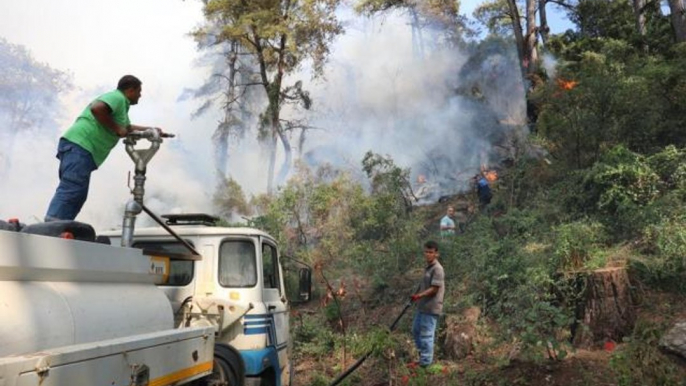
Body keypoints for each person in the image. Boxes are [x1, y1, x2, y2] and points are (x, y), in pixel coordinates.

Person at [45, 75, 163, 221]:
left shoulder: (121, 106)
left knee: (78, 193)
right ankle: (53, 224)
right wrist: (116, 128)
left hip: (80, 148)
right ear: (130, 90)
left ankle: (61, 225)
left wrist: (151, 130)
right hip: (80, 145)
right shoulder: (117, 97)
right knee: (72, 189)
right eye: (139, 91)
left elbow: (126, 128)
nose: (140, 95)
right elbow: (97, 108)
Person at [410, 240, 445, 367]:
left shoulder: (438, 269)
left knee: (427, 334)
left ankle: (426, 364)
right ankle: (422, 357)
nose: (428, 254)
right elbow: (423, 285)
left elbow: (434, 289)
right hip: (422, 306)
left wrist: (419, 295)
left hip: (431, 307)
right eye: (426, 252)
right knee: (415, 331)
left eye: (431, 252)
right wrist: (416, 296)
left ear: (436, 254)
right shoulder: (428, 268)